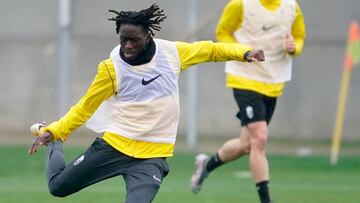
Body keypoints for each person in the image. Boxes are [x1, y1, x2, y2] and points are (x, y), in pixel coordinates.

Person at [28, 4, 265, 203]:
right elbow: (85, 107)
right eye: (123, 40)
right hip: (114, 147)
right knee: (58, 188)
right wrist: (56, 130)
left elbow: (210, 50)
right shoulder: (111, 69)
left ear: (148, 36)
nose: (128, 46)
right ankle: (55, 142)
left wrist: (244, 52)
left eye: (134, 40)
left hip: (151, 156)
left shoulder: (171, 53)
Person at [190, 0, 306, 203]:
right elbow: (222, 33)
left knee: (246, 145)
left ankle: (205, 166)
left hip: (274, 82)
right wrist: (244, 52)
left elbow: (299, 37)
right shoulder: (240, 5)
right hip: (244, 78)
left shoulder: (291, 6)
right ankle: (266, 200)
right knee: (260, 139)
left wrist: (294, 47)